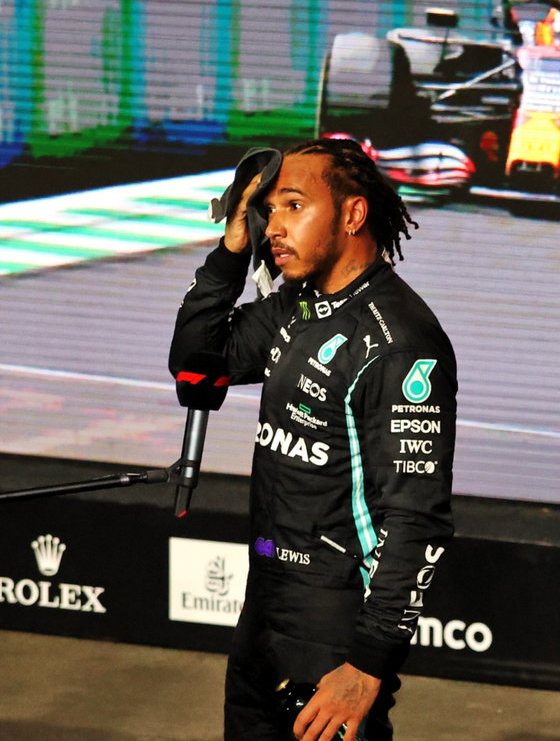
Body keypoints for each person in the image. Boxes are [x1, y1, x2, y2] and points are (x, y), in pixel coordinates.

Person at [170, 137, 458, 741]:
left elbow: (417, 520)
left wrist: (367, 665)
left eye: (293, 206)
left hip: (334, 624)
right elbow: (196, 366)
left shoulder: (398, 342)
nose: (274, 226)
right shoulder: (296, 306)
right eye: (268, 210)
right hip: (266, 603)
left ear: (353, 215)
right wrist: (230, 249)